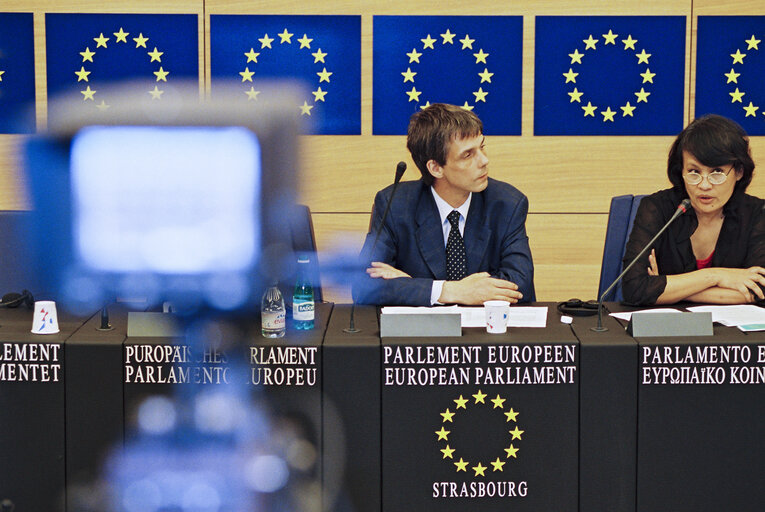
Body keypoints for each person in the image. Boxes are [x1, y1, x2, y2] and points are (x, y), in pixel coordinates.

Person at [353, 103, 535, 306]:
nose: (484, 160)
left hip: (484, 335)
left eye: (481, 147)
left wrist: (412, 286)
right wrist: (448, 290)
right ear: (436, 168)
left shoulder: (507, 204)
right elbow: (364, 287)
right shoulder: (395, 205)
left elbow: (521, 285)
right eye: (468, 155)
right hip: (420, 336)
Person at [622, 114, 765, 305]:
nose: (704, 185)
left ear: (738, 172)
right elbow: (635, 288)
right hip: (668, 330)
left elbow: (759, 291)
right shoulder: (658, 208)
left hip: (733, 334)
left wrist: (667, 288)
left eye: (717, 173)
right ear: (681, 171)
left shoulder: (757, 214)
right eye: (694, 172)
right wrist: (715, 276)